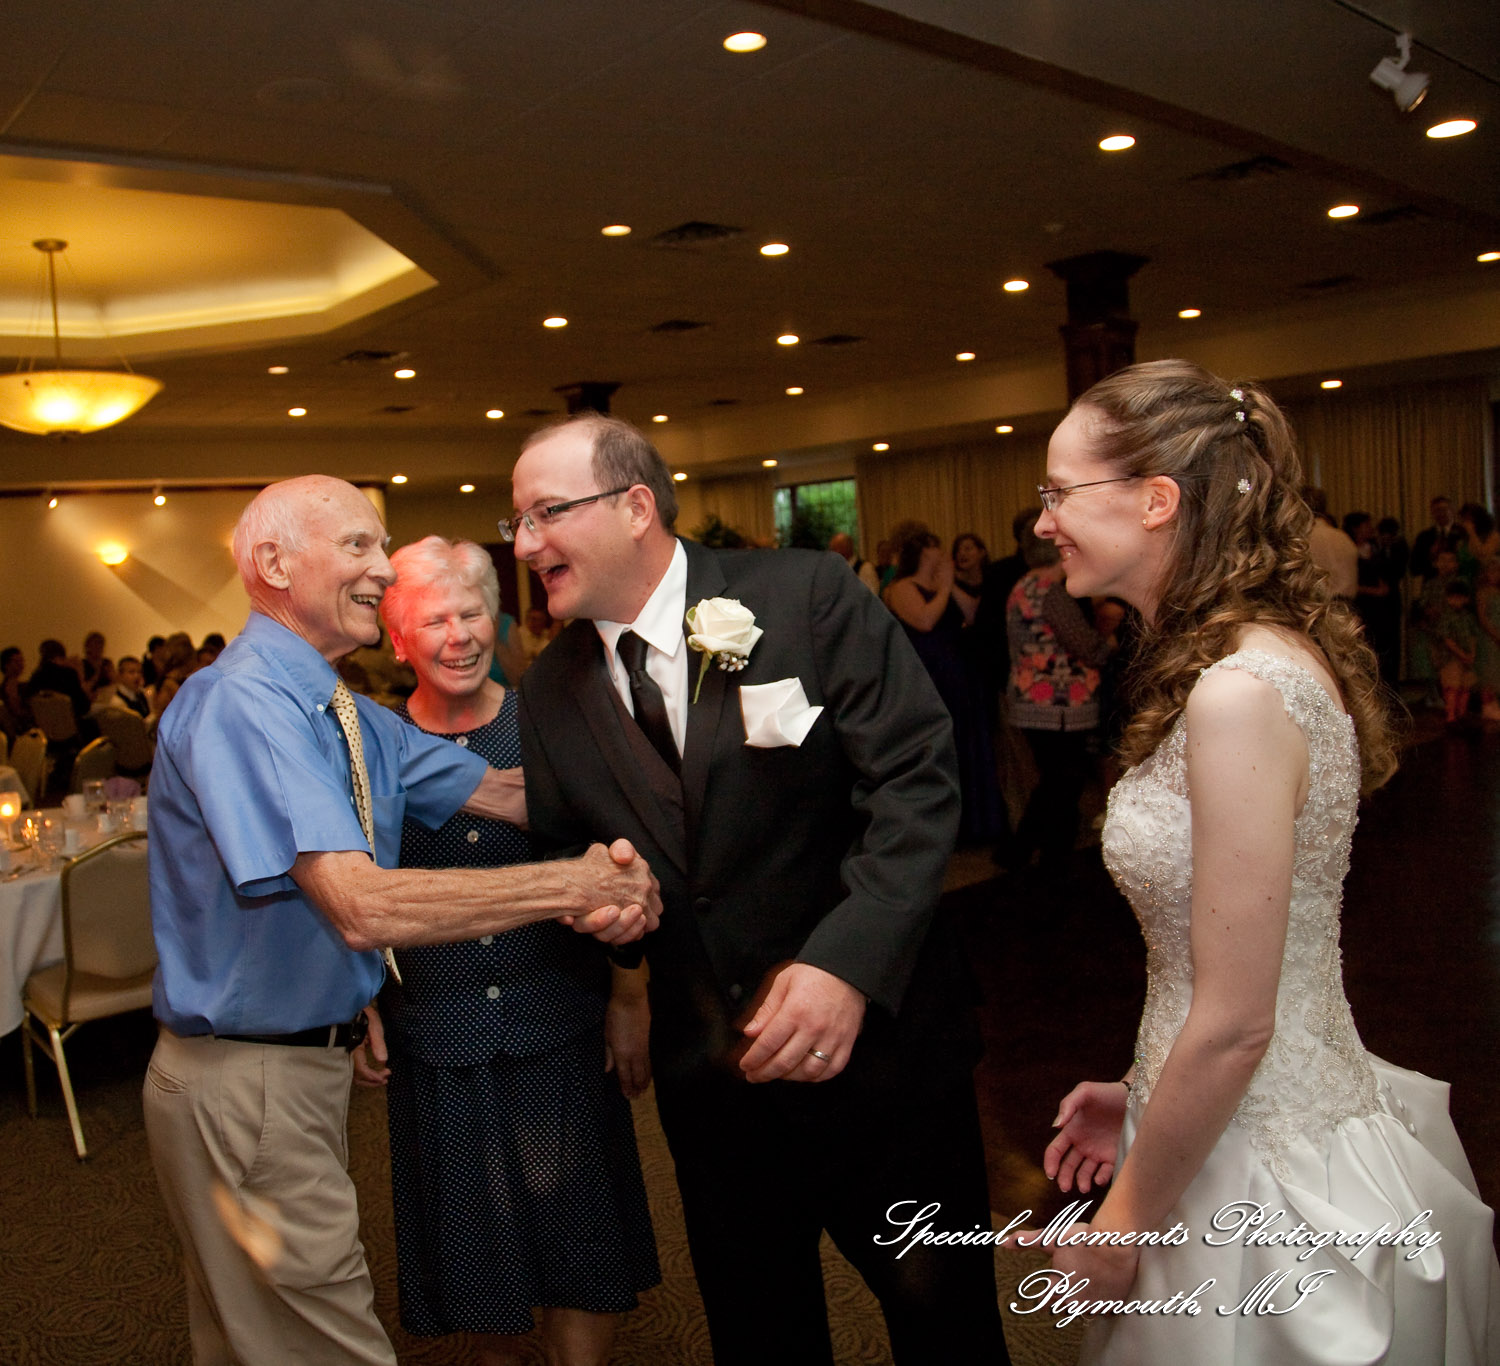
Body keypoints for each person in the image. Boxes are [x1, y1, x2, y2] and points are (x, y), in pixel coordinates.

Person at [508, 415, 1006, 1366]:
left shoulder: (807, 596)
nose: (525, 544)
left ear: (635, 506)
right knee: (760, 1334)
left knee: (946, 1328)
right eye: (517, 521)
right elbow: (586, 858)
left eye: (545, 514)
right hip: (714, 1087)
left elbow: (915, 781)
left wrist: (845, 968)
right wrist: (607, 919)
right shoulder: (550, 690)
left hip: (886, 1063)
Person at [1031, 361, 1499, 1364]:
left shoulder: (1237, 691)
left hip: (1265, 1172)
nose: (1041, 522)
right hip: (1222, 1121)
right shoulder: (1245, 659)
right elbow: (1230, 971)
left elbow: (1241, 1019)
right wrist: (1144, 1091)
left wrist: (1124, 1225)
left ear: (1156, 501)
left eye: (1057, 492)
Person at [142, 474, 661, 1366]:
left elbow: (503, 792)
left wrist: (672, 819)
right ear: (272, 564)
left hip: (287, 1076)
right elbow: (358, 904)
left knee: (249, 1340)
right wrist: (575, 887)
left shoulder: (340, 712)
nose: (383, 568)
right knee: (327, 1342)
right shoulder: (247, 703)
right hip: (247, 1080)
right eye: (358, 546)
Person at [374, 535, 659, 1366]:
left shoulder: (553, 721)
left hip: (557, 1028)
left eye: (472, 613)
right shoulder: (375, 747)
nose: (458, 635)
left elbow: (624, 867)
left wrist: (629, 997)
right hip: (441, 1038)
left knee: (581, 1249)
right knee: (480, 1268)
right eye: (434, 620)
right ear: (399, 641)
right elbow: (345, 881)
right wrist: (361, 999)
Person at [885, 523, 1006, 846]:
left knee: (969, 743)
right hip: (931, 676)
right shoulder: (901, 586)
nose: (944, 552)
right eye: (937, 546)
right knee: (944, 748)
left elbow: (971, 611)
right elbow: (924, 621)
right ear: (924, 551)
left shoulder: (943, 584)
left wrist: (948, 585)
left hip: (960, 673)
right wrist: (943, 587)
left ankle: (979, 823)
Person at [1005, 527, 1107, 872]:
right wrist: (1109, 644)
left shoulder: (1023, 586)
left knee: (1054, 780)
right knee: (1063, 781)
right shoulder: (1050, 591)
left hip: (1031, 699)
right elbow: (1084, 643)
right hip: (1057, 702)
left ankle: (1029, 852)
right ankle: (1048, 855)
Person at [1411, 494, 1469, 580]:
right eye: (1437, 510)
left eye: (1444, 510)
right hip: (1432, 584)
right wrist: (1430, 558)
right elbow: (1414, 568)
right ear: (1432, 513)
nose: (1441, 514)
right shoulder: (1424, 536)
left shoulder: (1463, 533)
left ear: (1452, 510)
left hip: (1459, 582)